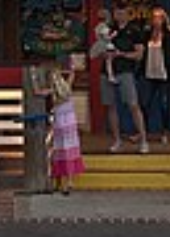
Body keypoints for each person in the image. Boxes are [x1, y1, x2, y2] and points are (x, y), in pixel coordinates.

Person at [99, 9, 149, 154]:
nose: (118, 16)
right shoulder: (108, 30)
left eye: (122, 13)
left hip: (125, 72)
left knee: (133, 105)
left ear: (128, 15)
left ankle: (143, 140)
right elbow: (99, 50)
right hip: (107, 71)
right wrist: (105, 53)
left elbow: (139, 55)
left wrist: (122, 54)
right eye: (116, 13)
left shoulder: (135, 31)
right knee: (111, 106)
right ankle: (117, 140)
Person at [42, 59, 84, 194]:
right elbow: (72, 73)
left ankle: (58, 182)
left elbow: (40, 92)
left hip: (60, 122)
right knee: (69, 152)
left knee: (58, 151)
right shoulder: (67, 87)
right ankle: (69, 182)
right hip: (69, 122)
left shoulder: (54, 90)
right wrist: (69, 68)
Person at [140, 7, 170, 145]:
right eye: (154, 17)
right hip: (149, 73)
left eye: (159, 17)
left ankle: (165, 132)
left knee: (164, 104)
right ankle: (143, 132)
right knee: (145, 103)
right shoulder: (147, 34)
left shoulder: (169, 35)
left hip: (163, 74)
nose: (157, 20)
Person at [90, 17, 119, 84]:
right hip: (104, 46)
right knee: (108, 61)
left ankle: (110, 76)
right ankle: (110, 76)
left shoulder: (103, 27)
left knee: (109, 61)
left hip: (107, 46)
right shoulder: (102, 27)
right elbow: (105, 38)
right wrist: (114, 35)